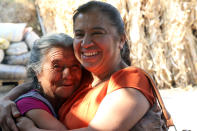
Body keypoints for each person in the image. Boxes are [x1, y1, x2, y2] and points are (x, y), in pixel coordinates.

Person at [0, 1, 165, 131]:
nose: (86, 43)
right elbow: (41, 82)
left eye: (97, 33)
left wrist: (30, 129)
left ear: (121, 39)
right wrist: (6, 100)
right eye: (79, 34)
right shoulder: (85, 75)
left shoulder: (129, 79)